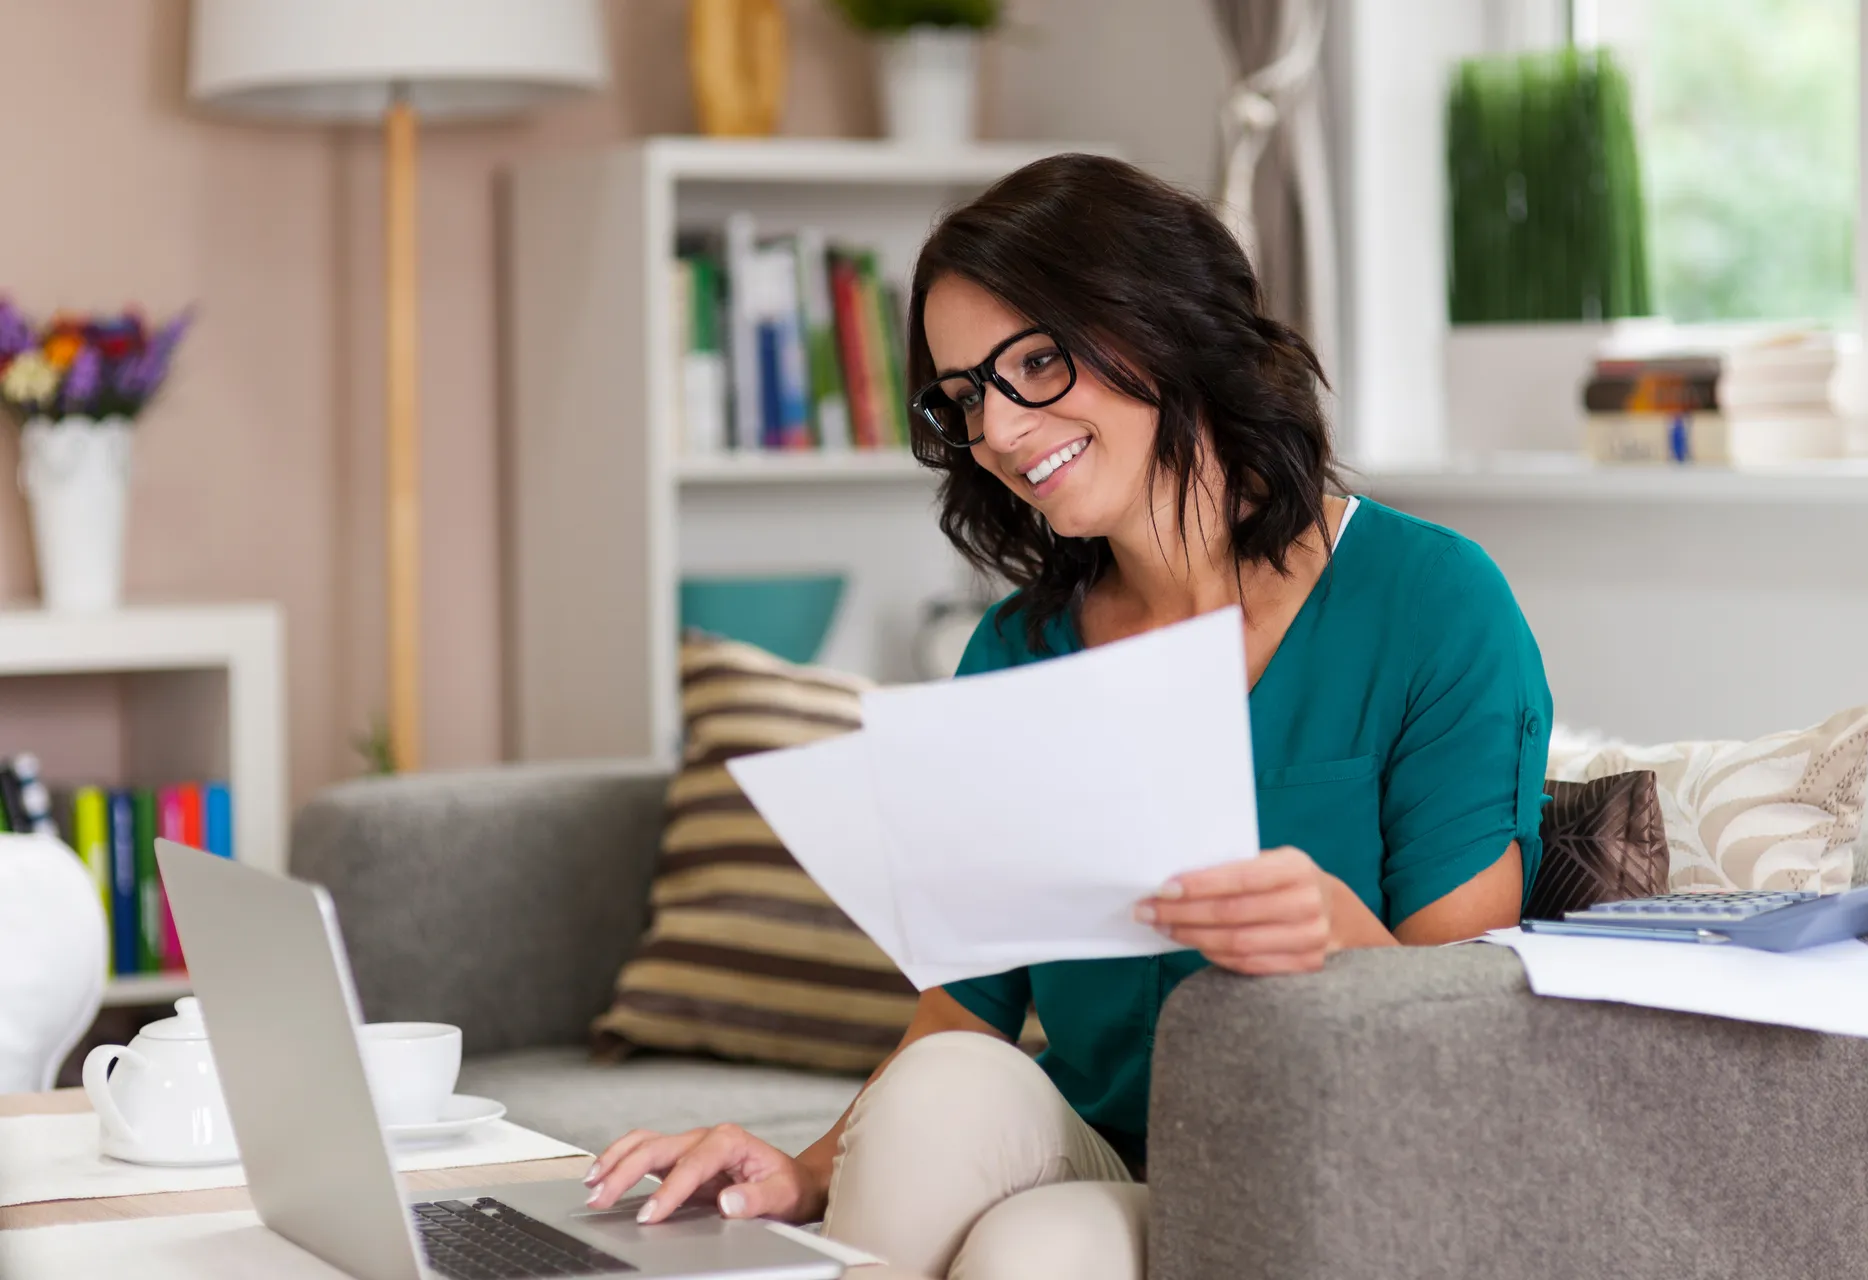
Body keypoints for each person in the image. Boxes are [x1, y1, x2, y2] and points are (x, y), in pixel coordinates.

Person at [582, 154, 1552, 1280]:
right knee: (953, 1094)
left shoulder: (1432, 601)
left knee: (1034, 1250)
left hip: (1331, 1179)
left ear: (1163, 323)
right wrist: (800, 1170)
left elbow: (1473, 1043)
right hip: (1111, 1162)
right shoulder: (1018, 650)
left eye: (1035, 361)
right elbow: (965, 1008)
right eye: (964, 395)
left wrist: (1336, 929)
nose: (994, 428)